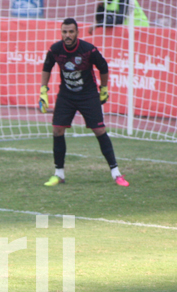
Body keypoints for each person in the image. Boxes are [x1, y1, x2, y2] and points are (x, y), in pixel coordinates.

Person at [39, 18, 129, 187]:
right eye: (64, 32)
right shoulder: (55, 49)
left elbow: (103, 67)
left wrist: (103, 89)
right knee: (57, 130)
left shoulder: (88, 50)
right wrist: (43, 91)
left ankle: (116, 173)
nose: (67, 35)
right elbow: (47, 67)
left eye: (71, 32)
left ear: (77, 33)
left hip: (88, 95)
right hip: (66, 95)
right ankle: (59, 174)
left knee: (99, 130)